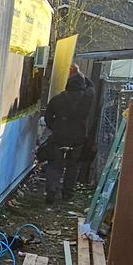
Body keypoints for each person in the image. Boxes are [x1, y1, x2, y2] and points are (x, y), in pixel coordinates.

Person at [40, 71, 94, 203]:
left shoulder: (57, 99)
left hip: (59, 136)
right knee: (73, 166)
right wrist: (81, 74)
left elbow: (47, 118)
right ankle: (67, 194)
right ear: (82, 86)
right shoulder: (86, 99)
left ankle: (51, 190)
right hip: (78, 138)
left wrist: (55, 127)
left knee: (55, 164)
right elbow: (92, 87)